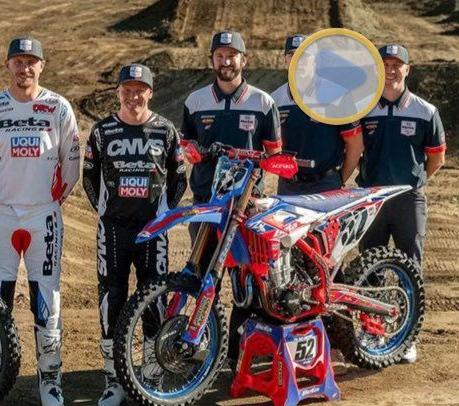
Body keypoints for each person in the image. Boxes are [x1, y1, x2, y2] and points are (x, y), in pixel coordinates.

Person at [0, 37, 80, 406]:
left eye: (31, 62)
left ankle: (50, 378)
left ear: (42, 66)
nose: (24, 68)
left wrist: (48, 201)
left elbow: (72, 166)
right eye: (18, 61)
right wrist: (0, 200)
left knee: (46, 297)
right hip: (0, 214)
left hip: (43, 214)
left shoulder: (59, 107)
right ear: (7, 65)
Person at [83, 64, 187, 406]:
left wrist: (163, 215)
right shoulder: (102, 131)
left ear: (150, 93)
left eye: (140, 90)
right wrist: (104, 211)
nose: (133, 96)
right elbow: (89, 176)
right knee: (111, 301)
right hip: (113, 230)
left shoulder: (165, 129)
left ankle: (151, 379)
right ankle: (114, 381)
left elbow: (179, 178)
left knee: (153, 300)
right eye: (127, 90)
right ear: (118, 92)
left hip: (152, 230)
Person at [180, 30, 282, 368]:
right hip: (206, 202)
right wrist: (193, 152)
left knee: (247, 280)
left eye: (232, 56)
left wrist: (258, 166)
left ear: (244, 60)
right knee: (203, 273)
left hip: (246, 206)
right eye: (220, 56)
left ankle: (240, 350)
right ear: (212, 60)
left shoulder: (263, 103)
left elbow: (274, 152)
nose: (226, 62)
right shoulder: (195, 101)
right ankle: (202, 342)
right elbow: (186, 143)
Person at [357, 44, 447, 364]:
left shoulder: (426, 111)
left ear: (408, 69)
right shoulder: (363, 109)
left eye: (398, 64)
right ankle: (373, 330)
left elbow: (436, 158)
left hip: (409, 200)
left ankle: (408, 337)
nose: (391, 70)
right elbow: (353, 148)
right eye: (385, 64)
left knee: (411, 268)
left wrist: (413, 182)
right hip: (371, 200)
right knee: (370, 266)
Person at [271, 34, 363, 195]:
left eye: (304, 55)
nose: (298, 60)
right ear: (285, 60)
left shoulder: (338, 95)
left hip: (325, 185)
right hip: (288, 186)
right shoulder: (275, 99)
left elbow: (355, 144)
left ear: (315, 60)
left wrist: (339, 179)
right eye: (292, 55)